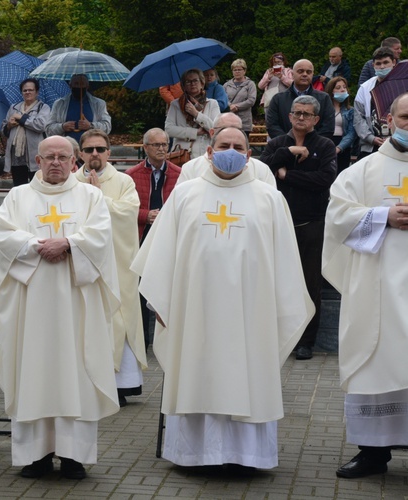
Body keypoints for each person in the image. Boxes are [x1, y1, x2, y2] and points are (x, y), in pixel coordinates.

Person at [132, 126, 313, 471]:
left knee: (247, 373)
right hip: (193, 310)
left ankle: (247, 456)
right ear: (210, 152)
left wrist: (282, 306)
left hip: (252, 313)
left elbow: (287, 262)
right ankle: (196, 454)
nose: (231, 150)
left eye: (238, 146)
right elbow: (161, 255)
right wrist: (159, 302)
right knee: (197, 371)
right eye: (223, 145)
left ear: (248, 155)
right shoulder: (185, 195)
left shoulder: (269, 198)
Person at [0, 135, 120, 479]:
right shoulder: (18, 197)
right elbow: (2, 236)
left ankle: (74, 455)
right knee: (33, 371)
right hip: (30, 305)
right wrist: (37, 245)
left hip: (76, 305)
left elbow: (101, 236)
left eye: (64, 157)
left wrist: (69, 243)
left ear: (74, 160)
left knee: (75, 371)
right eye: (49, 157)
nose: (56, 163)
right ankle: (36, 456)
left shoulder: (90, 196)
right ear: (37, 160)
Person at [323, 92, 408, 479]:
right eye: (406, 117)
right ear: (389, 120)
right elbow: (338, 218)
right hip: (375, 291)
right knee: (374, 363)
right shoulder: (361, 171)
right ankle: (373, 453)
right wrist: (383, 215)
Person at [260, 95, 337, 361]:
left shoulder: (325, 145)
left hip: (311, 225)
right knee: (275, 282)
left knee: (310, 284)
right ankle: (278, 337)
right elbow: (260, 171)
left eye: (307, 114)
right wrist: (288, 153)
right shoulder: (278, 143)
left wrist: (287, 175)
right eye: (297, 113)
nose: (301, 117)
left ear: (316, 119)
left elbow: (325, 179)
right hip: (277, 226)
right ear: (289, 116)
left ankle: (306, 341)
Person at [74, 130, 146, 408]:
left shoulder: (123, 181)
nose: (95, 154)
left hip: (116, 262)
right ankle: (85, 380)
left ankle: (122, 383)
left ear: (109, 153)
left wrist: (98, 196)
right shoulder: (70, 181)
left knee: (119, 317)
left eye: (100, 149)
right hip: (83, 264)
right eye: (89, 149)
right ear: (80, 153)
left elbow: (128, 215)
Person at [125, 128, 181, 349]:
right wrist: (145, 215)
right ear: (145, 147)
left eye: (164, 145)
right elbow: (124, 208)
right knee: (140, 287)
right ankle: (142, 341)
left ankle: (169, 338)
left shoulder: (179, 174)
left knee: (166, 285)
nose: (161, 149)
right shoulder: (131, 175)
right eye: (156, 145)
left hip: (168, 238)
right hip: (141, 236)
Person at [178, 113, 276, 186]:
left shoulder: (261, 170)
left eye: (237, 129)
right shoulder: (191, 169)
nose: (231, 133)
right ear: (212, 133)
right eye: (224, 129)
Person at [266, 59, 335, 141]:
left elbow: (328, 127)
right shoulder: (278, 99)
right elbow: (272, 126)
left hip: (315, 150)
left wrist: (311, 144)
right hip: (285, 149)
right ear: (292, 74)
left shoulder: (324, 99)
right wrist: (289, 143)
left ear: (313, 74)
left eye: (308, 72)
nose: (305, 74)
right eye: (300, 71)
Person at [3, 78, 51, 186]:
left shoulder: (43, 108)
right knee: (19, 187)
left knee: (38, 186)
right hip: (17, 156)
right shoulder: (14, 108)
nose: (27, 92)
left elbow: (41, 125)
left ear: (37, 92)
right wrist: (9, 125)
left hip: (35, 156)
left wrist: (21, 118)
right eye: (25, 90)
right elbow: (3, 129)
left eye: (31, 90)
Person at [165, 68, 221, 159]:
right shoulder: (175, 104)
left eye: (195, 80)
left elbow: (216, 129)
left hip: (205, 154)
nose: (192, 84)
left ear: (202, 83)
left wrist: (196, 114)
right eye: (188, 82)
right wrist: (195, 132)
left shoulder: (212, 104)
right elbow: (168, 129)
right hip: (181, 155)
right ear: (183, 86)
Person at [354, 47, 398, 160]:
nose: (382, 67)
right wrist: (370, 138)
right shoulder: (365, 88)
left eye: (386, 62)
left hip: (399, 145)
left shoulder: (403, 86)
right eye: (378, 63)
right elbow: (358, 117)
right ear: (373, 65)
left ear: (394, 62)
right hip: (370, 147)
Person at [46, 74, 112, 142]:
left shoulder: (99, 104)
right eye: (76, 83)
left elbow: (107, 127)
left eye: (82, 84)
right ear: (70, 85)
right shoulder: (59, 104)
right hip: (67, 147)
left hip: (90, 146)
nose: (79, 86)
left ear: (87, 86)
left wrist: (91, 126)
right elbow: (48, 129)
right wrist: (62, 127)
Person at [325, 76, 356, 172]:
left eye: (344, 87)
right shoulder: (324, 109)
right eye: (338, 88)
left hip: (343, 146)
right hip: (325, 144)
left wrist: (339, 148)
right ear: (331, 91)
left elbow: (351, 133)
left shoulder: (350, 111)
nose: (342, 90)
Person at [223, 59, 258, 135]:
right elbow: (223, 98)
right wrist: (230, 105)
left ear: (244, 71)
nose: (237, 72)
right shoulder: (226, 85)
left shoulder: (250, 84)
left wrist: (237, 106)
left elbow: (251, 100)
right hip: (229, 119)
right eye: (235, 70)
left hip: (244, 121)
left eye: (239, 70)